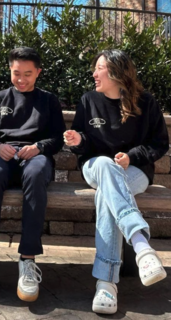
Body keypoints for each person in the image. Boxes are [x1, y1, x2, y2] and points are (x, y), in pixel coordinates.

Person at [64, 49, 168, 314]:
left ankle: (106, 283)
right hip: (95, 167)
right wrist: (78, 140)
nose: (93, 73)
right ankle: (142, 246)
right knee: (105, 164)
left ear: (116, 72)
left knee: (106, 196)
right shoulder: (88, 100)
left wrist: (131, 157)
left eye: (99, 68)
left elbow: (159, 143)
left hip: (135, 172)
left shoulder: (146, 102)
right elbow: (84, 144)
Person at [0, 47, 66, 305]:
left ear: (39, 73)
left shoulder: (48, 101)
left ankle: (28, 259)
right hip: (4, 156)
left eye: (28, 74)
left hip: (36, 158)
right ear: (10, 70)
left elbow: (57, 137)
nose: (21, 79)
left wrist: (39, 148)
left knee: (34, 175)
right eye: (16, 73)